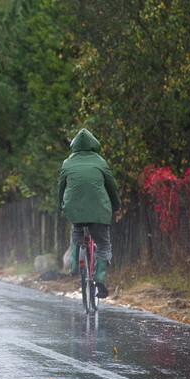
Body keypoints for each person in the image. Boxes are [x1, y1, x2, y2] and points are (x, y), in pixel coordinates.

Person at [57, 128, 121, 298]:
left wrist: (61, 205)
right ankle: (100, 277)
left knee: (76, 232)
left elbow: (61, 187)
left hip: (74, 210)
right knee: (104, 245)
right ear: (94, 145)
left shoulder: (67, 163)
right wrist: (116, 205)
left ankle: (74, 264)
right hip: (99, 211)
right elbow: (112, 187)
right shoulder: (100, 162)